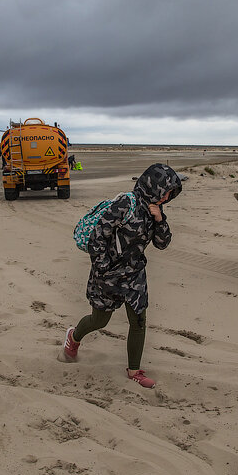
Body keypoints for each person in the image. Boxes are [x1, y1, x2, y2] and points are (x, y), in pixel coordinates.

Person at [61, 163, 182, 389]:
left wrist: (160, 220)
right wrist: (103, 270)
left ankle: (134, 370)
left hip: (135, 275)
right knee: (100, 320)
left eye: (170, 194)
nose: (167, 197)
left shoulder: (155, 209)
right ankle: (74, 336)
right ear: (152, 186)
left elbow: (162, 244)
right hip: (108, 273)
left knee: (138, 321)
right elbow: (98, 238)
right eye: (165, 191)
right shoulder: (126, 203)